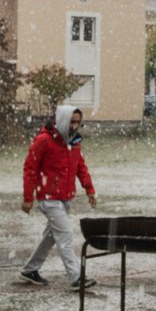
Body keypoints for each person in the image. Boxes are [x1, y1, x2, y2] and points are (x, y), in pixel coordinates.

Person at [20, 105, 97, 289]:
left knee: (51, 236)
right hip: (48, 198)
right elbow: (30, 168)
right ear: (62, 120)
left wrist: (89, 189)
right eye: (71, 121)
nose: (74, 126)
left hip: (65, 197)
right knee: (65, 235)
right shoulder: (44, 141)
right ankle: (75, 277)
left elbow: (80, 167)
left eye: (78, 122)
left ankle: (30, 269)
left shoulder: (74, 142)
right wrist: (28, 197)